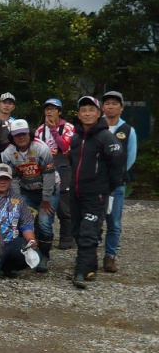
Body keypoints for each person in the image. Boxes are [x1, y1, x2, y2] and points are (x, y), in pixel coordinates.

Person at [68, 96, 125, 289]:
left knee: (88, 232)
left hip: (96, 194)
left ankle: (81, 271)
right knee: (75, 229)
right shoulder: (75, 138)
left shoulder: (106, 137)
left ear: (98, 113)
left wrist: (108, 189)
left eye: (91, 110)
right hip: (76, 193)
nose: (87, 113)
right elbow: (71, 163)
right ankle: (90, 265)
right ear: (78, 114)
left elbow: (118, 164)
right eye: (83, 110)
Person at [1, 119, 56, 272]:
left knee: (44, 222)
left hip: (48, 189)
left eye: (24, 133)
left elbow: (49, 174)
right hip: (26, 190)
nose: (21, 137)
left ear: (29, 133)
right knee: (22, 220)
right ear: (12, 136)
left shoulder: (42, 148)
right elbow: (14, 180)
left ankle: (44, 256)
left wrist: (46, 199)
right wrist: (18, 201)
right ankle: (29, 252)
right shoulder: (7, 153)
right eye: (17, 135)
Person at [101, 91, 138, 273]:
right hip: (96, 183)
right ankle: (89, 254)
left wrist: (117, 175)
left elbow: (130, 157)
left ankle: (110, 256)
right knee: (94, 220)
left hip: (116, 185)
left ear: (121, 108)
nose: (110, 106)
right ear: (102, 107)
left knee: (114, 221)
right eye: (107, 103)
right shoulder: (96, 127)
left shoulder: (128, 130)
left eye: (114, 103)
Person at [34, 97, 76, 249]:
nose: (49, 112)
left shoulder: (68, 127)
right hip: (45, 165)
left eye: (53, 109)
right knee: (43, 197)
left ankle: (66, 237)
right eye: (47, 109)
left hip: (62, 163)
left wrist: (53, 130)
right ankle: (41, 235)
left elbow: (65, 147)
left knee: (64, 200)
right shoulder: (39, 130)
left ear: (59, 111)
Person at [0, 163, 37, 279]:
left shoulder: (18, 198)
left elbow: (26, 222)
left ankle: (5, 266)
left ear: (10, 181)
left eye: (6, 179)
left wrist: (31, 239)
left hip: (10, 241)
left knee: (32, 255)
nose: (2, 182)